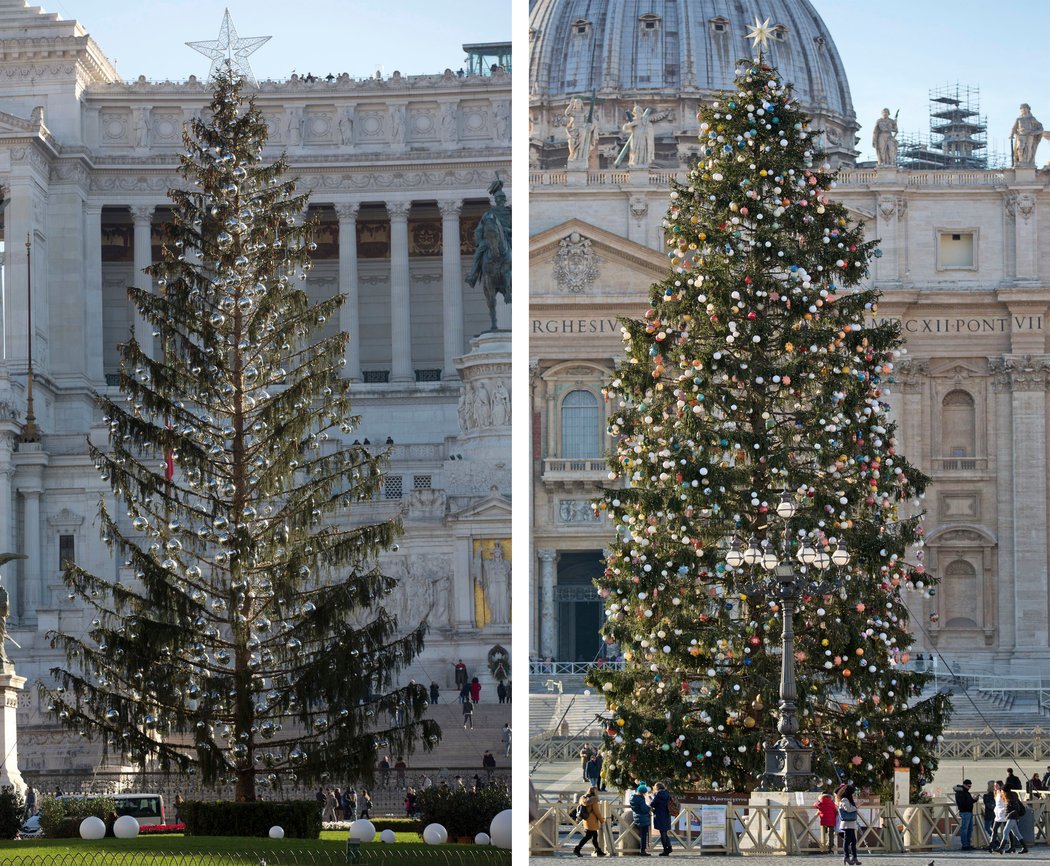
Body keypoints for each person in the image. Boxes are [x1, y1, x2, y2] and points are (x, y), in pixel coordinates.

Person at [573, 785, 606, 857]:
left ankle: (598, 850)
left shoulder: (583, 798)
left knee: (594, 836)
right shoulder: (594, 800)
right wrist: (602, 820)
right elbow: (597, 812)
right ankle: (577, 849)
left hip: (586, 819)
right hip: (592, 820)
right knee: (588, 836)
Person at [996, 788, 1028, 854]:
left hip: (1012, 817)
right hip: (1011, 817)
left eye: (1002, 791)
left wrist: (1008, 815)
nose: (1001, 792)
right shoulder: (1009, 798)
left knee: (1005, 831)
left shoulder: (1011, 799)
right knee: (1016, 833)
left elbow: (1016, 809)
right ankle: (1024, 848)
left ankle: (1001, 848)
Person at [836, 784, 860, 865]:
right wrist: (857, 806)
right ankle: (846, 857)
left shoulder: (847, 800)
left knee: (853, 841)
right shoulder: (844, 800)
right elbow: (848, 809)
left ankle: (854, 857)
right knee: (847, 841)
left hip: (851, 824)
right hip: (847, 824)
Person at [651, 781, 673, 856]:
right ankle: (669, 847)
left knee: (662, 834)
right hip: (667, 816)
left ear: (657, 788)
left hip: (660, 816)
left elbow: (652, 804)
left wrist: (651, 798)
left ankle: (665, 850)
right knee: (665, 832)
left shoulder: (658, 795)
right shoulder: (667, 794)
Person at [630, 784, 652, 855]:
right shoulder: (640, 799)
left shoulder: (632, 798)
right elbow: (644, 809)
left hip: (637, 817)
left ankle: (641, 850)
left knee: (640, 835)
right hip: (643, 819)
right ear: (642, 792)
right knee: (644, 836)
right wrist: (649, 807)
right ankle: (642, 851)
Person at [954, 778, 976, 850]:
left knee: (970, 829)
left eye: (970, 786)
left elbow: (968, 801)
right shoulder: (960, 792)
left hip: (969, 812)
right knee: (965, 829)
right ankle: (965, 845)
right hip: (964, 812)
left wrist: (974, 800)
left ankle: (968, 844)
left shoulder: (966, 792)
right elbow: (963, 803)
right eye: (968, 786)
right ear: (964, 785)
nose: (969, 788)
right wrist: (971, 800)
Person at [988, 781, 1007, 852]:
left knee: (1008, 830)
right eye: (994, 785)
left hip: (1003, 814)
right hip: (998, 815)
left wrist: (1004, 810)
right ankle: (991, 845)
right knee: (994, 829)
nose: (995, 787)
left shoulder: (1003, 792)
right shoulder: (996, 793)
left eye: (996, 785)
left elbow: (1005, 802)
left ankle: (1012, 845)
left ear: (1000, 785)